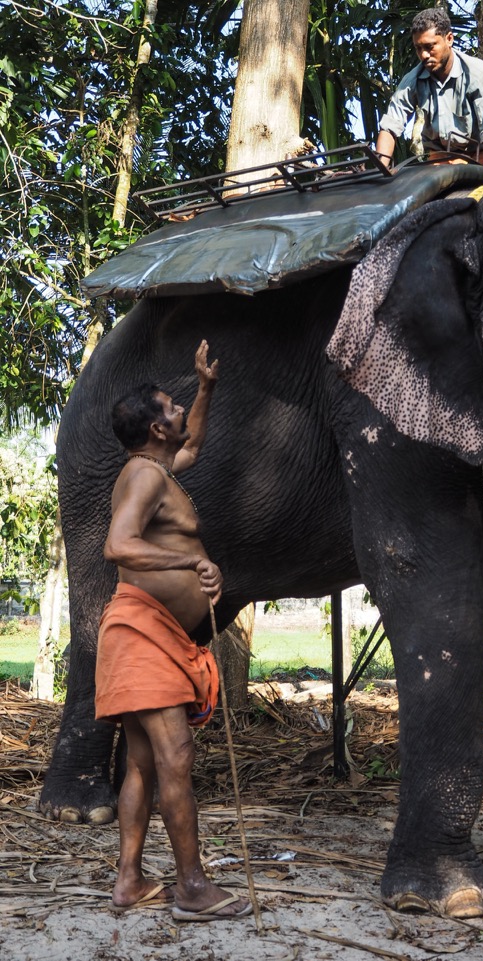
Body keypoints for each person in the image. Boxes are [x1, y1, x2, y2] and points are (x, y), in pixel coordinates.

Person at [95, 340, 252, 922]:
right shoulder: (142, 476)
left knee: (140, 762)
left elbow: (196, 444)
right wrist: (191, 564)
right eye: (173, 405)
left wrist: (206, 387)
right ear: (156, 427)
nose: (181, 411)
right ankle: (191, 886)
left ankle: (130, 881)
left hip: (147, 633)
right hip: (142, 632)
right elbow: (119, 546)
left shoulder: (159, 470)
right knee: (174, 755)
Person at [374, 7, 483, 170]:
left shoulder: (477, 74)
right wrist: (379, 172)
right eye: (418, 48)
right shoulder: (412, 80)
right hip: (440, 161)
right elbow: (390, 127)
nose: (424, 55)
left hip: (481, 156)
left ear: (449, 39)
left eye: (429, 47)